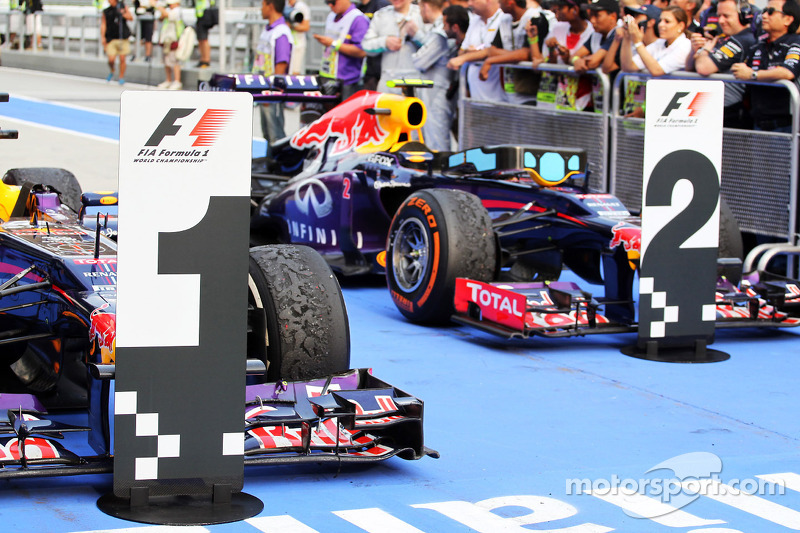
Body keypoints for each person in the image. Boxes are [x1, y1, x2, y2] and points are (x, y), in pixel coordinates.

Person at [731, 0, 800, 132]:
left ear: (788, 19)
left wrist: (753, 75)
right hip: (758, 124)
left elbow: (788, 72)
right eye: (764, 11)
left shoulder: (796, 42)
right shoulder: (759, 46)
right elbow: (743, 71)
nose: (764, 16)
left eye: (771, 12)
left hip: (785, 127)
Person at [686, 0, 756, 128]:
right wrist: (695, 49)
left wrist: (705, 50)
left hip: (730, 113)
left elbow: (703, 67)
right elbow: (689, 67)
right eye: (719, 16)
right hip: (712, 110)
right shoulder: (723, 37)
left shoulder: (743, 39)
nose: (721, 21)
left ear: (743, 16)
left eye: (726, 16)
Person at [477, 0, 548, 105]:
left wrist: (490, 61)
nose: (498, 3)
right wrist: (516, 55)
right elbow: (492, 51)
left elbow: (527, 54)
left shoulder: (535, 18)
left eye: (501, 1)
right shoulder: (504, 20)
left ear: (510, 2)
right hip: (509, 87)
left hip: (531, 88)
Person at [446, 0, 512, 102]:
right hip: (475, 96)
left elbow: (496, 51)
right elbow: (461, 52)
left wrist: (470, 55)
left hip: (499, 97)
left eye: (473, 0)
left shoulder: (504, 18)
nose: (469, 4)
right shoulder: (474, 20)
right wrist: (473, 53)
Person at [412, 0, 455, 150]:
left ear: (426, 6)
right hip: (432, 89)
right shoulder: (436, 30)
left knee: (437, 136)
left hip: (438, 91)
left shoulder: (440, 33)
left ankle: (441, 171)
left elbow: (419, 61)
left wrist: (416, 36)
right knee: (430, 135)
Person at [254, 0, 292, 156]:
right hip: (264, 90)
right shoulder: (269, 30)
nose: (261, 9)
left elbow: (281, 63)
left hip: (272, 92)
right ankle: (270, 163)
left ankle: (280, 167)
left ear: (270, 6)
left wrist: (273, 91)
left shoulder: (281, 32)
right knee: (267, 132)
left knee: (275, 133)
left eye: (263, 5)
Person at [362, 0, 426, 93]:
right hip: (387, 80)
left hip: (415, 81)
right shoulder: (381, 15)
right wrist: (384, 42)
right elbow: (366, 46)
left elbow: (434, 47)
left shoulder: (422, 13)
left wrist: (417, 35)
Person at [540, 0, 594, 110]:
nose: (556, 11)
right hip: (560, 98)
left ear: (575, 9)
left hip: (584, 99)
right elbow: (550, 66)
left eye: (560, 7)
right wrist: (552, 52)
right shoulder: (557, 28)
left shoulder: (592, 31)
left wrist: (568, 59)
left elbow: (589, 66)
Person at [313, 0, 370, 100]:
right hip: (328, 77)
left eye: (333, 2)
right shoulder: (331, 16)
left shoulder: (358, 19)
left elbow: (362, 51)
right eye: (327, 2)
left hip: (348, 81)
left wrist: (333, 44)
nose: (330, 5)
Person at [620, 5, 691, 75]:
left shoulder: (685, 46)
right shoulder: (659, 43)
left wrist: (638, 42)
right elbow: (628, 67)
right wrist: (627, 37)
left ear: (681, 26)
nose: (661, 25)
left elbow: (656, 70)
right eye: (660, 20)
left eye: (667, 21)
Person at [358, 0, 391, 90]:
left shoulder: (382, 6)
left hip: (384, 68)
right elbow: (366, 44)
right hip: (369, 68)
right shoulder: (358, 8)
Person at [101, 0, 133, 85]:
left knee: (122, 58)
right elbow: (103, 24)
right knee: (111, 59)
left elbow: (130, 17)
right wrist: (103, 37)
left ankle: (121, 76)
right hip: (111, 38)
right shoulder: (106, 11)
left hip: (122, 37)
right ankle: (112, 70)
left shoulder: (122, 7)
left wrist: (122, 13)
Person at [156, 0, 184, 90]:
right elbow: (161, 17)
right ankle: (168, 80)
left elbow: (168, 15)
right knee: (166, 60)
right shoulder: (169, 10)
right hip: (166, 38)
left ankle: (177, 81)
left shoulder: (177, 11)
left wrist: (157, 6)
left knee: (174, 60)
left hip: (174, 38)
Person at [285, 0, 310, 75]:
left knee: (294, 72)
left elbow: (306, 27)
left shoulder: (301, 6)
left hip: (298, 45)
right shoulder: (286, 5)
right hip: (287, 44)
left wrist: (291, 26)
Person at [194, 0, 218, 67]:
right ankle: (203, 59)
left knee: (204, 39)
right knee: (201, 38)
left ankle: (206, 60)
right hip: (200, 14)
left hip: (204, 14)